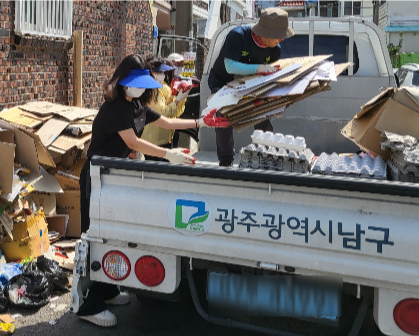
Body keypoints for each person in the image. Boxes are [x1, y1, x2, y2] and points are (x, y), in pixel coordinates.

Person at [76, 54, 228, 327]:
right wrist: (168, 154)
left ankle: (108, 290)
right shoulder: (114, 108)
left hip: (115, 177)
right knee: (96, 237)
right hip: (96, 177)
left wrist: (200, 123)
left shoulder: (136, 105)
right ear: (122, 80)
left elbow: (167, 123)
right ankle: (88, 303)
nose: (140, 89)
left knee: (113, 237)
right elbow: (133, 142)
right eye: (135, 83)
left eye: (143, 84)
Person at [208, 7, 294, 167]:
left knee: (263, 117)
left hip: (252, 85)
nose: (282, 40)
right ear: (265, 32)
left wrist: (280, 98)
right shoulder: (238, 36)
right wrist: (258, 68)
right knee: (224, 119)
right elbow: (230, 66)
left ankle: (266, 157)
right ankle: (225, 162)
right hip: (222, 82)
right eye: (279, 36)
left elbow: (269, 76)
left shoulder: (275, 50)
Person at [142, 56, 190, 161]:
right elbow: (162, 114)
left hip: (165, 139)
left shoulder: (161, 86)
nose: (162, 75)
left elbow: (175, 113)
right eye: (158, 73)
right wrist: (178, 100)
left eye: (162, 73)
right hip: (153, 141)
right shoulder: (150, 91)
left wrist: (180, 98)